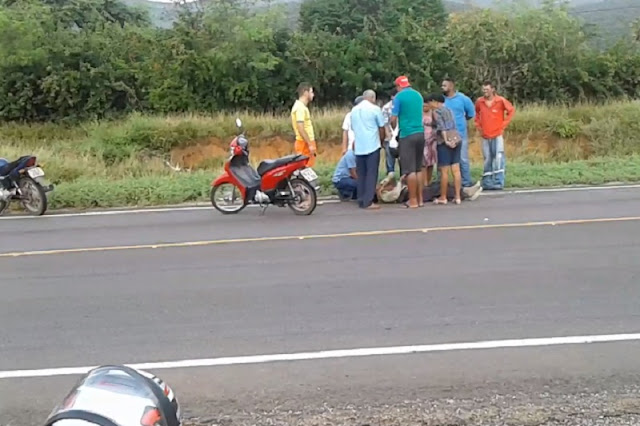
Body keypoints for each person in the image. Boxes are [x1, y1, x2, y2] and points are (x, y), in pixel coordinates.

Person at [441, 78, 482, 196]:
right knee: (444, 161)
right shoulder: (442, 100)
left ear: (451, 86)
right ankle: (444, 184)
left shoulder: (463, 99)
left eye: (445, 85)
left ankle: (466, 183)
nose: (442, 87)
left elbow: (470, 114)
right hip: (445, 134)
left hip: (460, 134)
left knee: (462, 159)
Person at [390, 76, 425, 209]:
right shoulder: (418, 95)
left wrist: (393, 127)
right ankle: (421, 199)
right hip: (420, 132)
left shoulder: (399, 97)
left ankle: (413, 200)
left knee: (409, 170)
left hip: (407, 134)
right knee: (418, 168)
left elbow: (393, 118)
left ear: (399, 86)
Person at [475, 81, 516, 190]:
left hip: (497, 134)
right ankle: (487, 182)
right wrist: (479, 126)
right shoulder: (480, 101)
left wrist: (503, 125)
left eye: (487, 89)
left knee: (498, 157)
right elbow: (476, 114)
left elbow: (511, 111)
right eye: (483, 89)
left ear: (492, 89)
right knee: (487, 158)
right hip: (485, 135)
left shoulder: (500, 101)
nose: (485, 92)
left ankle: (498, 182)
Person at [351, 89, 385, 210]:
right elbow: (381, 127)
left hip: (359, 146)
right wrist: (381, 141)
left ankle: (361, 199)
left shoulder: (354, 110)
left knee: (361, 174)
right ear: (373, 98)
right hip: (372, 145)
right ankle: (369, 201)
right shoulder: (375, 109)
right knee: (371, 173)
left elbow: (353, 128)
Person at [426, 93, 462, 205]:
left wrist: (446, 140)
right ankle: (457, 196)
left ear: (435, 101)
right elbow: (453, 125)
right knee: (456, 169)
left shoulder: (437, 112)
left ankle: (443, 196)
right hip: (456, 139)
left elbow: (442, 127)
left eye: (430, 102)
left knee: (444, 171)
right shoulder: (449, 110)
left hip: (444, 142)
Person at [291, 82, 317, 167]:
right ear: (305, 93)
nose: (313, 94)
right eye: (311, 92)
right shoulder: (300, 108)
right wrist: (309, 144)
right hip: (304, 143)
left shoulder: (301, 107)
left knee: (308, 168)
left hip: (305, 142)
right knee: (304, 168)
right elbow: (300, 127)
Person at [381, 88, 399, 176]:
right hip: (390, 136)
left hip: (401, 136)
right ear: (392, 97)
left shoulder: (403, 106)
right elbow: (385, 123)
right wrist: (389, 136)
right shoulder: (386, 107)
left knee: (403, 161)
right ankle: (390, 181)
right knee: (390, 161)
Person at [422, 100, 437, 187]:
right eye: (423, 106)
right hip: (423, 139)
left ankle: (429, 180)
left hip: (432, 139)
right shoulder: (419, 113)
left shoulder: (433, 113)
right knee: (424, 162)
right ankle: (424, 183)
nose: (425, 108)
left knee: (431, 161)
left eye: (426, 106)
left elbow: (437, 124)